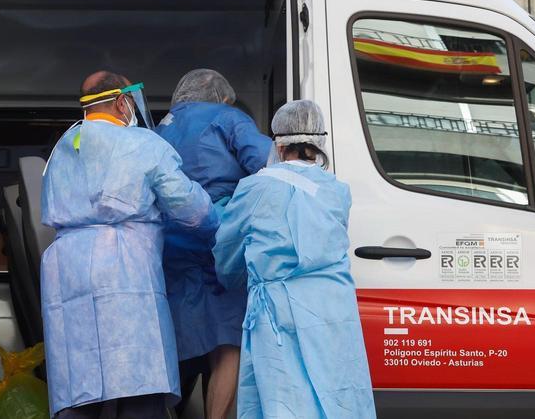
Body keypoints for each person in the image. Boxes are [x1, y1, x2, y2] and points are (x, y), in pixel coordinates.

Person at [40, 71, 218, 418]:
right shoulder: (142, 143)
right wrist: (219, 224)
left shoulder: (63, 146)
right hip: (122, 268)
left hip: (66, 269)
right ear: (123, 102)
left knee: (80, 387)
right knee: (139, 383)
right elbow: (190, 208)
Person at [213, 100, 376, 419]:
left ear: (279, 142)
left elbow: (227, 249)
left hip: (280, 310)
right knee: (336, 392)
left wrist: (229, 278)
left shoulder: (255, 187)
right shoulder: (338, 190)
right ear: (319, 143)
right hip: (333, 308)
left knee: (283, 398)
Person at [156, 69, 272, 419]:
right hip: (218, 244)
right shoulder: (228, 117)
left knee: (175, 341)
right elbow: (269, 165)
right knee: (228, 343)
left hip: (168, 248)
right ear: (222, 97)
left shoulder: (158, 130)